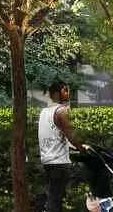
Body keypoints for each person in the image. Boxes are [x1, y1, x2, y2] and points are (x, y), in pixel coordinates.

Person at [38, 80, 83, 212]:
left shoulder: (44, 112)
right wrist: (83, 148)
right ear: (57, 93)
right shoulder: (61, 111)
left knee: (54, 195)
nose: (68, 93)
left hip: (46, 161)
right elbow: (71, 135)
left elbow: (54, 134)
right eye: (65, 90)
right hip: (59, 162)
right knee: (55, 198)